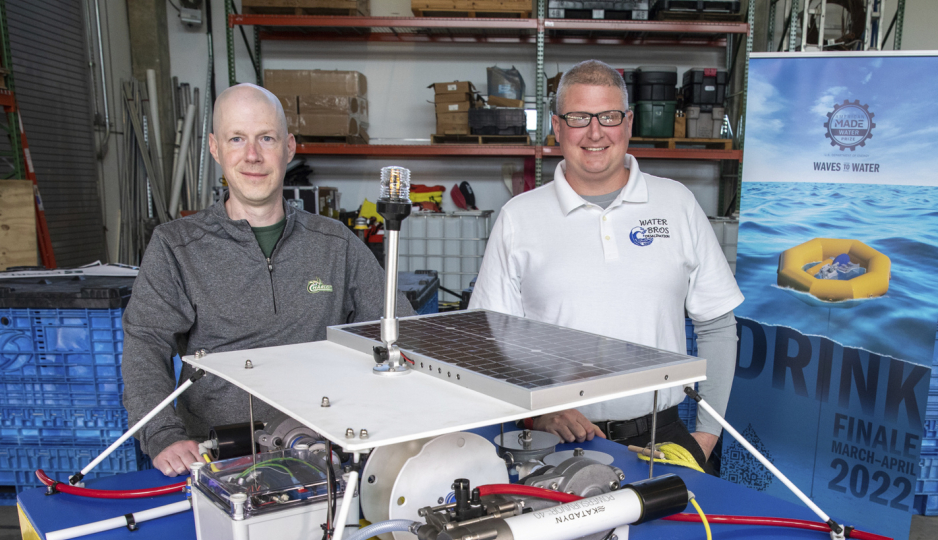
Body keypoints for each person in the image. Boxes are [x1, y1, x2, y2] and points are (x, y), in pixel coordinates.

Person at [122, 83, 410, 476]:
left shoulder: (334, 242)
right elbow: (145, 346)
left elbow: (402, 329)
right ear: (214, 147)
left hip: (325, 451)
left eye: (266, 138)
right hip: (220, 459)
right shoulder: (176, 246)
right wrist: (163, 434)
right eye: (237, 138)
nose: (252, 155)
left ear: (289, 147)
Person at [469, 59, 741, 470]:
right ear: (557, 127)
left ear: (628, 123)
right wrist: (537, 414)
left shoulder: (677, 203)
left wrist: (704, 437)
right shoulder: (518, 217)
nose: (595, 132)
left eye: (609, 116)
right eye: (579, 117)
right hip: (552, 448)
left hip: (662, 441)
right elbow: (488, 346)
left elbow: (717, 326)